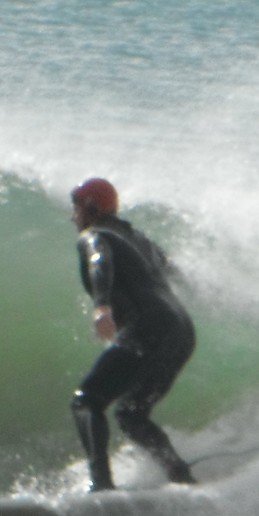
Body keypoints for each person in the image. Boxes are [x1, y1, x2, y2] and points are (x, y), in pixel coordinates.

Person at [68, 177, 197, 491]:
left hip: (148, 326)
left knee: (86, 400)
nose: (73, 217)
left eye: (76, 208)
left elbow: (100, 260)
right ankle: (181, 477)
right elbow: (178, 275)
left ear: (90, 208)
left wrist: (102, 306)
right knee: (131, 413)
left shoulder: (95, 235)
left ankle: (101, 487)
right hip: (181, 330)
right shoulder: (142, 241)